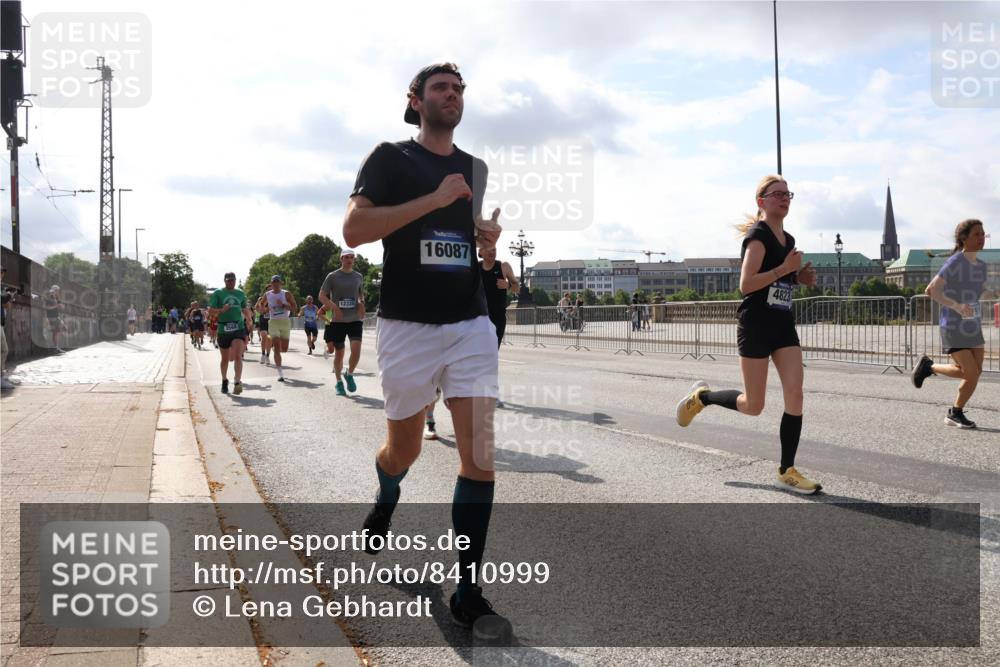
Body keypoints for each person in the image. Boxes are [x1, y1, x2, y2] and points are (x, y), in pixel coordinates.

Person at [342, 62, 509, 640]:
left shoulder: (474, 168)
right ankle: (387, 490)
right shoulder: (389, 158)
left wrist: (486, 245)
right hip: (407, 325)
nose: (452, 95)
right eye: (441, 87)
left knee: (479, 455)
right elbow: (354, 230)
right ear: (415, 99)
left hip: (469, 321)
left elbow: (465, 242)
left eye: (459, 88)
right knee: (404, 449)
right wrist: (433, 199)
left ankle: (467, 592)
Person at [675, 175, 822, 494]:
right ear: (761, 201)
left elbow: (779, 282)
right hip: (755, 323)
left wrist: (799, 279)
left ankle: (787, 471)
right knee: (754, 405)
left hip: (782, 323)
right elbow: (747, 284)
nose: (784, 198)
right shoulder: (758, 236)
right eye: (777, 194)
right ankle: (703, 397)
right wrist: (785, 270)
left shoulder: (789, 239)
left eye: (788, 194)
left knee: (796, 393)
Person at [911, 219, 988, 429]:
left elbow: (982, 291)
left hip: (973, 324)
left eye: (983, 234)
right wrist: (957, 306)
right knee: (970, 372)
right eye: (977, 234)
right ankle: (930, 367)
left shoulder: (981, 266)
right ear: (964, 238)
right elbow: (931, 290)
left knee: (974, 373)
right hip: (953, 325)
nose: (982, 238)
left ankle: (955, 412)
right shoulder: (955, 262)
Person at [319, 249, 366, 395]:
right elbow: (322, 296)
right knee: (339, 354)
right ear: (341, 259)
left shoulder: (358, 276)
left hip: (354, 319)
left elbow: (360, 294)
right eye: (346, 257)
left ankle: (349, 374)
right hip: (338, 321)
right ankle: (339, 382)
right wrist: (334, 308)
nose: (349, 259)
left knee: (356, 351)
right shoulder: (333, 276)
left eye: (352, 257)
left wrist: (361, 303)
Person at [208, 272, 251, 395]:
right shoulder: (218, 293)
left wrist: (249, 319)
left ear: (235, 280)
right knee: (225, 359)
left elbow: (244, 308)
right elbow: (210, 311)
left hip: (238, 327)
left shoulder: (240, 293)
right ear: (224, 281)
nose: (230, 282)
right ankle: (224, 380)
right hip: (223, 329)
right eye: (228, 280)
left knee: (238, 356)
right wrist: (222, 310)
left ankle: (237, 381)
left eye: (232, 280)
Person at [264, 275, 297, 382]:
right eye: (274, 282)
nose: (276, 284)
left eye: (277, 282)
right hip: (273, 322)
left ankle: (273, 345)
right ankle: (280, 373)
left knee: (284, 349)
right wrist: (265, 309)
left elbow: (294, 307)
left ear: (281, 283)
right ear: (271, 283)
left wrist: (283, 305)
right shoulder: (267, 294)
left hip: (285, 322)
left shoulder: (286, 294)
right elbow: (260, 306)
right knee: (277, 348)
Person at [42, 285, 65, 353]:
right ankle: (54, 348)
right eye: (57, 291)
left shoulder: (57, 299)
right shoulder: (49, 298)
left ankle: (56, 347)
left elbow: (62, 308)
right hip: (51, 318)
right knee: (53, 333)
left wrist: (61, 306)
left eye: (58, 291)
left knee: (57, 332)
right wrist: (56, 306)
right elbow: (46, 307)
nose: (58, 292)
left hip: (56, 318)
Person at [256, 294, 271, 365]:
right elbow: (258, 309)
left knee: (269, 339)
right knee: (264, 338)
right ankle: (263, 354)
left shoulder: (272, 301)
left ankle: (267, 356)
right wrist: (259, 301)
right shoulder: (262, 301)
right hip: (263, 322)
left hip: (271, 322)